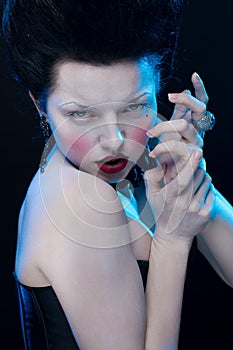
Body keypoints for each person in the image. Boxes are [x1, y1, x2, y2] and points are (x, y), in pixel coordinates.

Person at [1, 0, 233, 349]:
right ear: (40, 105)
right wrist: (172, 241)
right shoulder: (78, 201)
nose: (114, 141)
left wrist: (188, 172)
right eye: (81, 115)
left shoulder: (92, 175)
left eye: (135, 105)